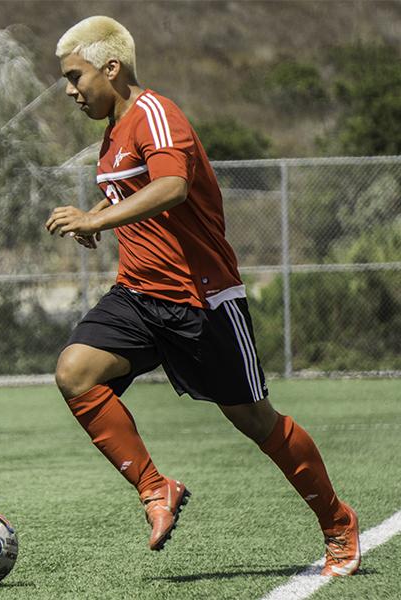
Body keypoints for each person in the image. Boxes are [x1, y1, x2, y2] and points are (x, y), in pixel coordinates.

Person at [46, 16, 360, 575]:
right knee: (75, 372)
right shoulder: (110, 135)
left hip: (202, 300)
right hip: (138, 296)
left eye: (75, 76)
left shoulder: (155, 114)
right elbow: (139, 194)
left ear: (111, 68)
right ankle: (154, 487)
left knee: (257, 422)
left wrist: (100, 213)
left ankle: (338, 522)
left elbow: (172, 186)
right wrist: (98, 218)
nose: (70, 91)